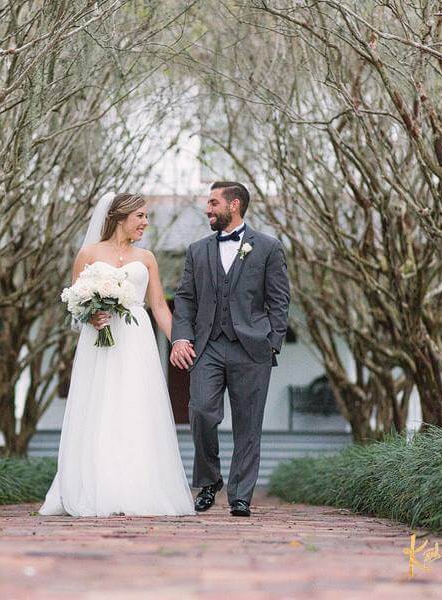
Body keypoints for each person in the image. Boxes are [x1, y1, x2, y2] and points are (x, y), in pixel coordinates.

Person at [39, 192, 195, 517]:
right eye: (140, 216)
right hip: (99, 341)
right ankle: (97, 485)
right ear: (120, 216)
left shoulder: (147, 257)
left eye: (146, 216)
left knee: (135, 408)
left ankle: (137, 486)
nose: (145, 223)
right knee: (100, 406)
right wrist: (89, 315)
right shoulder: (88, 254)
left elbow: (160, 308)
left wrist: (179, 340)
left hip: (137, 339)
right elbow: (73, 303)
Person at [169, 181, 291, 517]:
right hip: (207, 346)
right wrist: (181, 337)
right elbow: (185, 298)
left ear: (233, 205)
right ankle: (209, 480)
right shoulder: (197, 250)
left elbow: (279, 300)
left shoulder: (267, 247)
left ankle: (241, 495)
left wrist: (272, 343)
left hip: (252, 349)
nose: (207, 209)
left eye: (213, 203)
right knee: (202, 412)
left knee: (248, 424)